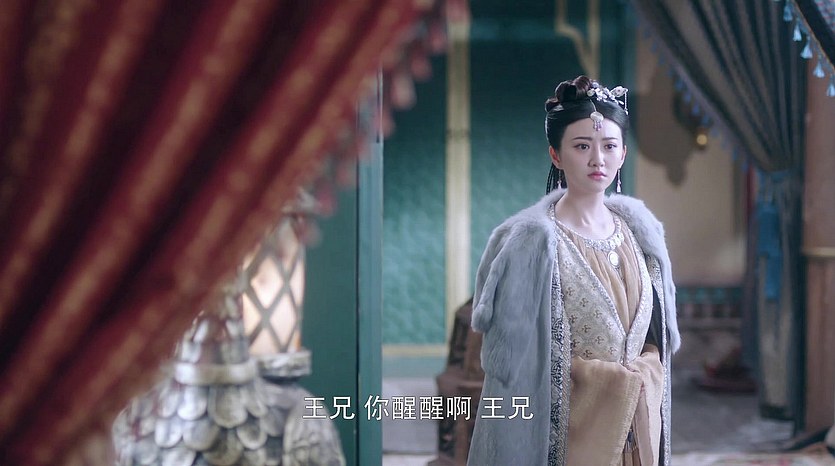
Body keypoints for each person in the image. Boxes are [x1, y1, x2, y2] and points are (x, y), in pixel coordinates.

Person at [467, 75, 680, 466]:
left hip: (637, 430)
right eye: (582, 146)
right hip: (570, 434)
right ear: (556, 155)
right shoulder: (532, 242)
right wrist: (606, 383)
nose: (597, 159)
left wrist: (643, 375)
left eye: (609, 146)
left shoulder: (640, 233)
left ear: (623, 154)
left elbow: (656, 339)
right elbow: (516, 369)